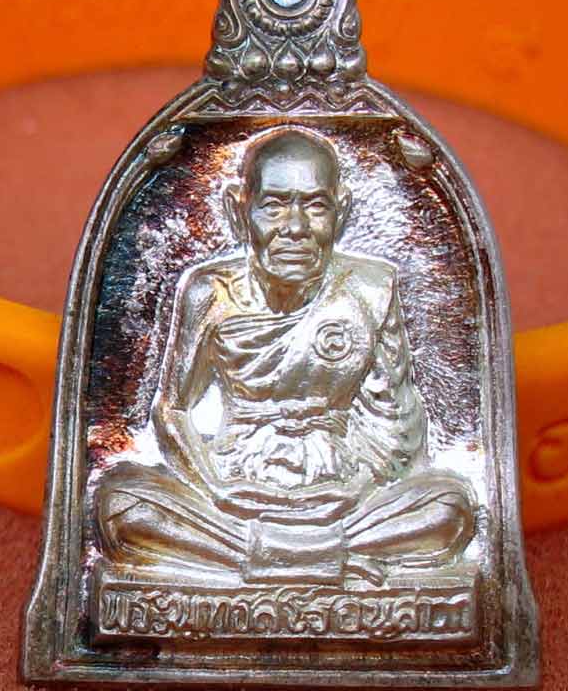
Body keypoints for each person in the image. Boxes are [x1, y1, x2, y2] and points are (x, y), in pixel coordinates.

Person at [97, 128, 474, 586]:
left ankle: (264, 557)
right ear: (239, 211)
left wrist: (359, 487)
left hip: (341, 489)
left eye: (315, 206)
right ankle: (326, 557)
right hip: (235, 488)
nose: (295, 228)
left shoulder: (371, 289)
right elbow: (173, 409)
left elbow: (398, 419)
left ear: (341, 211)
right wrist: (216, 487)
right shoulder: (209, 292)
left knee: (449, 507)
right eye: (274, 206)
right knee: (123, 504)